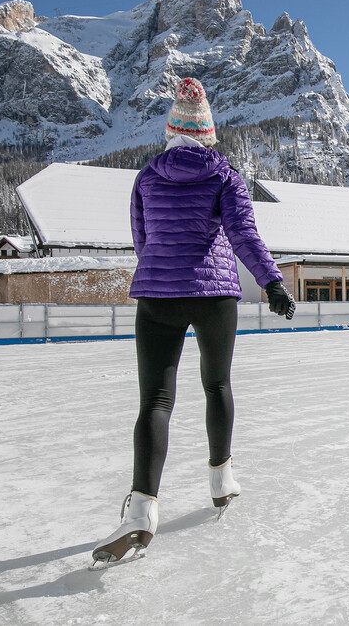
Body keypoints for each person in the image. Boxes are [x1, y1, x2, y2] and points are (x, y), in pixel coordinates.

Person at [93, 78, 295, 565]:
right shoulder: (224, 175)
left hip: (158, 296)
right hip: (213, 296)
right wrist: (271, 282)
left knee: (155, 402)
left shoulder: (147, 177)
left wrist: (164, 271)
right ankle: (221, 479)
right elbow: (243, 233)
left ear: (171, 132)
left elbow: (142, 239)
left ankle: (141, 510)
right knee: (216, 385)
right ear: (208, 133)